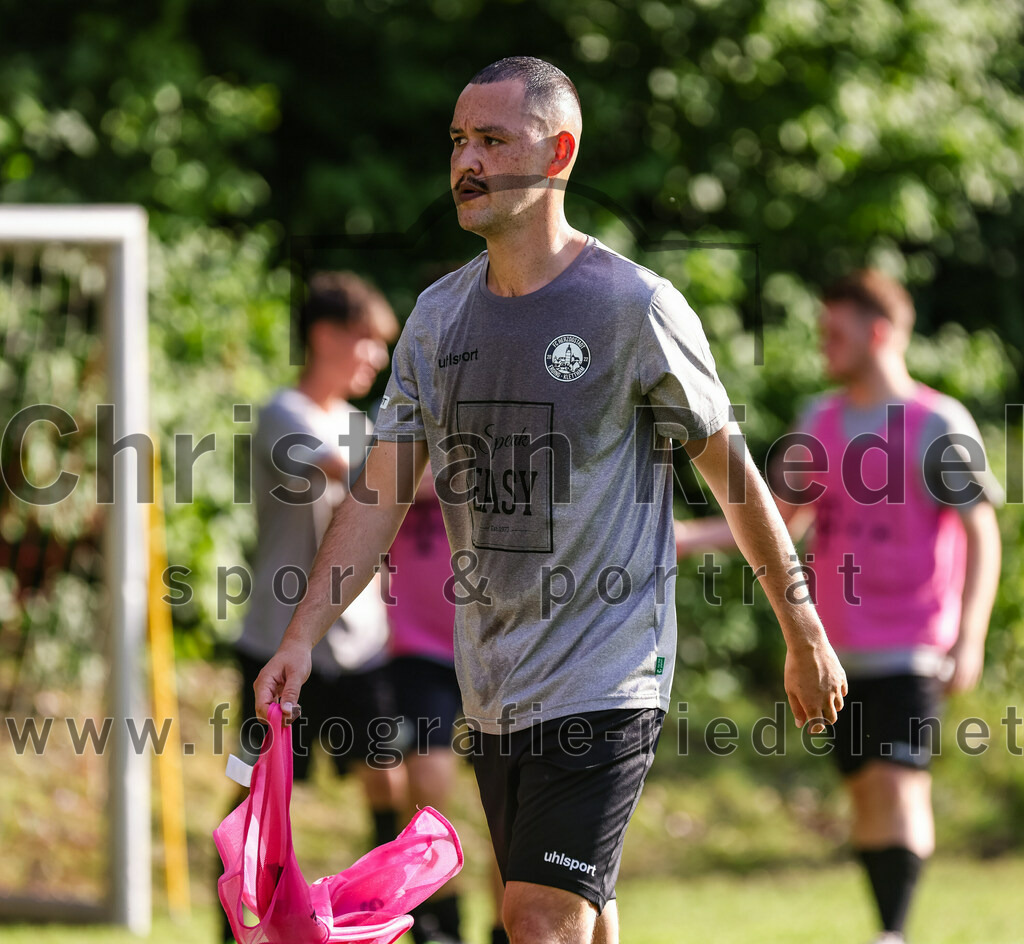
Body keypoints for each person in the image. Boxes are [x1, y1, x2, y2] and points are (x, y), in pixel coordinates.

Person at [254, 56, 847, 944]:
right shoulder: (437, 318)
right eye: (459, 140)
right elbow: (378, 490)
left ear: (559, 152)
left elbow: (736, 481)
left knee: (534, 918)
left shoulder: (632, 306)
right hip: (493, 682)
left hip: (609, 675)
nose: (468, 161)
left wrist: (803, 632)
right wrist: (300, 636)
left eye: (494, 140)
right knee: (578, 913)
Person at [675, 269, 1002, 943]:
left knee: (898, 780)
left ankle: (894, 931)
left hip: (914, 643)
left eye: (834, 333)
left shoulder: (936, 422)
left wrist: (969, 640)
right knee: (864, 789)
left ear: (878, 332)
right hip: (835, 650)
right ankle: (891, 923)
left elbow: (981, 534)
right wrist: (684, 537)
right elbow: (776, 518)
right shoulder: (819, 420)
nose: (824, 345)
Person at [227, 271, 404, 925]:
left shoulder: (361, 422)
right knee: (258, 791)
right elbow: (350, 472)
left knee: (387, 777)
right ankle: (239, 921)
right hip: (275, 641)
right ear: (326, 336)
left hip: (358, 643)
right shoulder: (283, 413)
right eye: (368, 342)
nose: (378, 359)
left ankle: (388, 915)